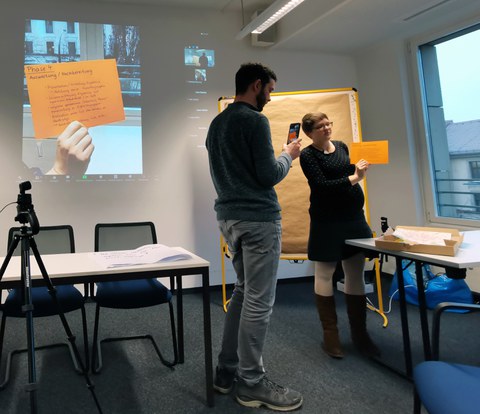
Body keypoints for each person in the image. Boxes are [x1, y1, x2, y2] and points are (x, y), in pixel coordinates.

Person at [205, 62, 303, 411]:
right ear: (257, 85)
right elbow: (268, 176)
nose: (270, 99)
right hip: (259, 220)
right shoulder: (255, 120)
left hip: (229, 218)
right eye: (270, 91)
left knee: (244, 293)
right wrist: (288, 156)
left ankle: (225, 372)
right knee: (259, 301)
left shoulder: (216, 124)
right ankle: (251, 383)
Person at [299, 112, 380, 359]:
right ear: (309, 132)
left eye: (328, 124)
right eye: (321, 126)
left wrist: (360, 168)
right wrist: (355, 177)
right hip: (327, 222)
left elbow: (348, 173)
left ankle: (360, 335)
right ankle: (330, 336)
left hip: (354, 220)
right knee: (324, 274)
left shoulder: (343, 146)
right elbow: (322, 187)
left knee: (355, 273)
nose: (327, 128)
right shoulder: (307, 155)